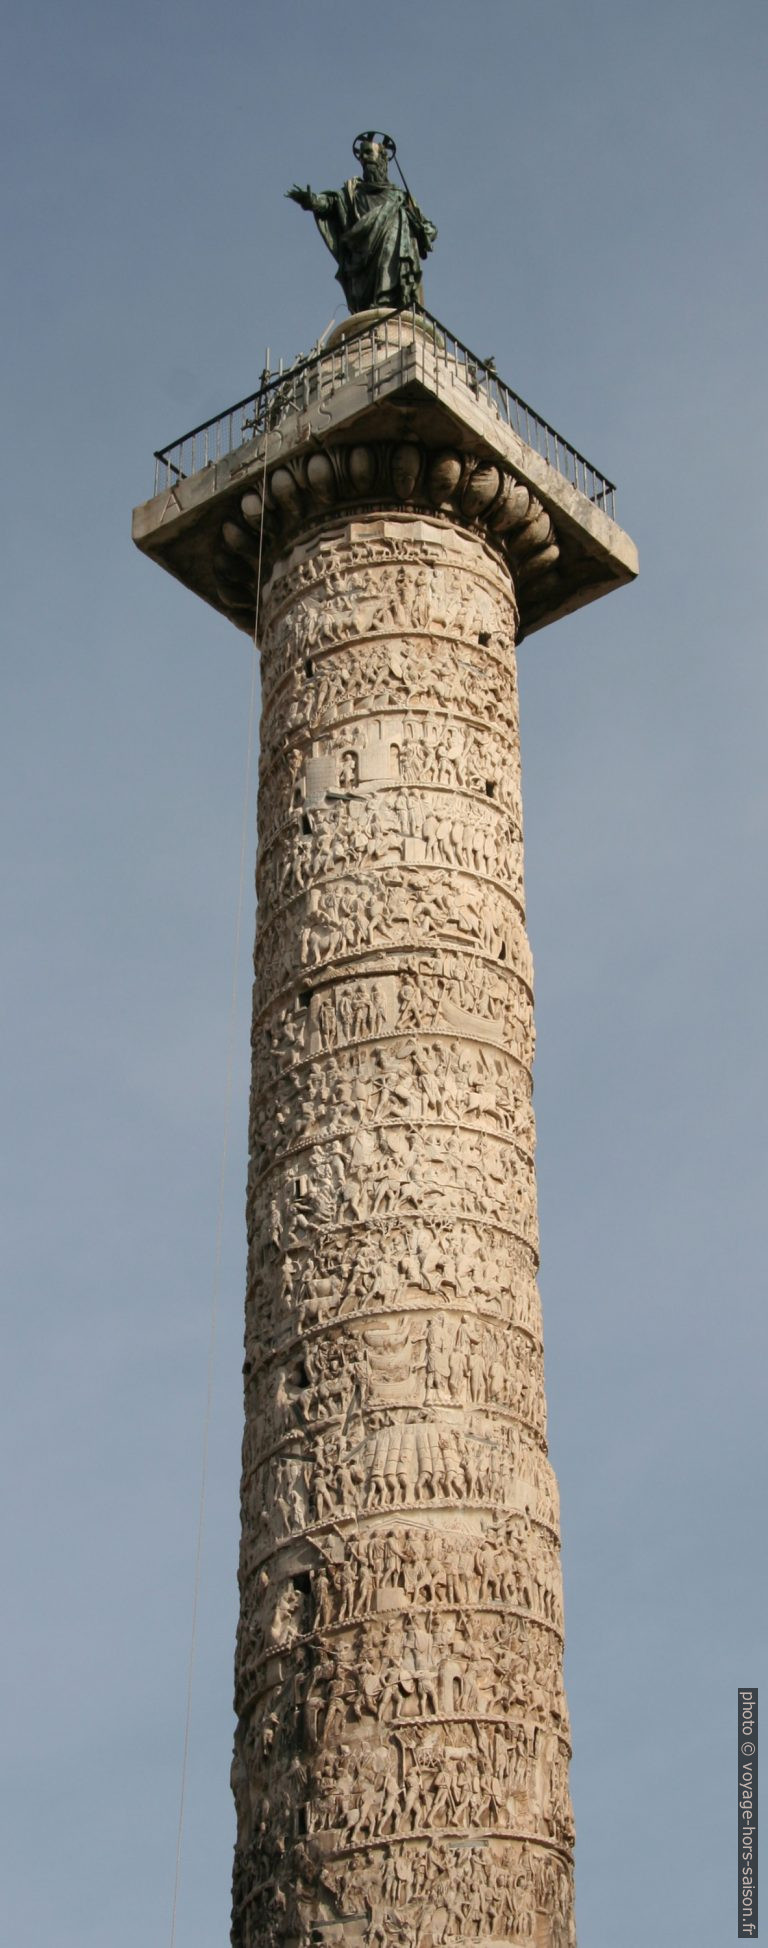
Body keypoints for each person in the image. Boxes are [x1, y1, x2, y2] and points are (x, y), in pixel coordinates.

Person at [287, 132, 437, 313]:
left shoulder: (401, 197)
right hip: (364, 255)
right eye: (361, 155)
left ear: (383, 158)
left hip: (397, 251)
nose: (364, 158)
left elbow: (430, 229)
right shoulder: (352, 192)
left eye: (368, 153)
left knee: (399, 217)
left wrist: (421, 230)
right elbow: (330, 203)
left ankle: (393, 302)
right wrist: (311, 200)